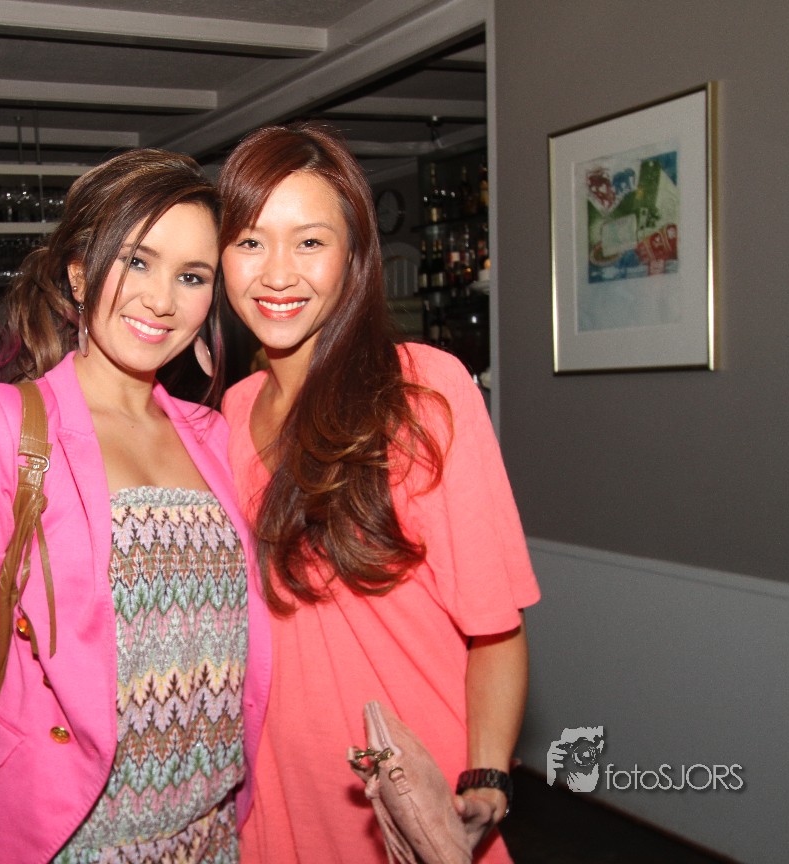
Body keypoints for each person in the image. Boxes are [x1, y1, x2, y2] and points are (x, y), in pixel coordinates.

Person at [0, 149, 272, 863]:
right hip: (73, 841)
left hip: (214, 836)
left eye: (191, 276)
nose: (161, 300)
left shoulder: (215, 435)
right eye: (137, 262)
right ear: (79, 272)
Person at [217, 123, 540, 863]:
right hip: (274, 803)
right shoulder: (226, 416)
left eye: (309, 241)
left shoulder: (421, 392)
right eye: (250, 241)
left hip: (406, 799)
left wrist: (485, 778)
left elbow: (496, 629)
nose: (277, 273)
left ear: (353, 255)